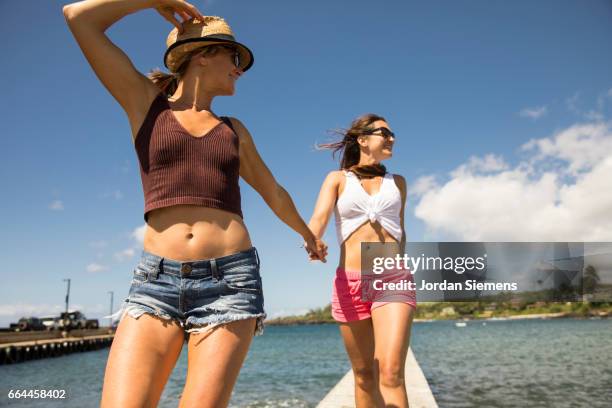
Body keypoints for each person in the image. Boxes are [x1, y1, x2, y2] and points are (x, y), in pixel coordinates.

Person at [62, 1, 326, 406]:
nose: (239, 67)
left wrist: (309, 236)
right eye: (233, 56)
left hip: (230, 283)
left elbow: (272, 190)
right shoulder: (145, 105)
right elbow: (78, 17)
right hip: (155, 284)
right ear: (202, 55)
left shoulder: (233, 130)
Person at [307, 114, 417, 407]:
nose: (392, 138)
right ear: (363, 139)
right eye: (385, 132)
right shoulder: (337, 179)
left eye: (393, 133)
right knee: (364, 375)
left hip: (391, 277)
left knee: (391, 372)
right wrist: (313, 239)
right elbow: (318, 219)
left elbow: (400, 230)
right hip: (349, 281)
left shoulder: (399, 183)